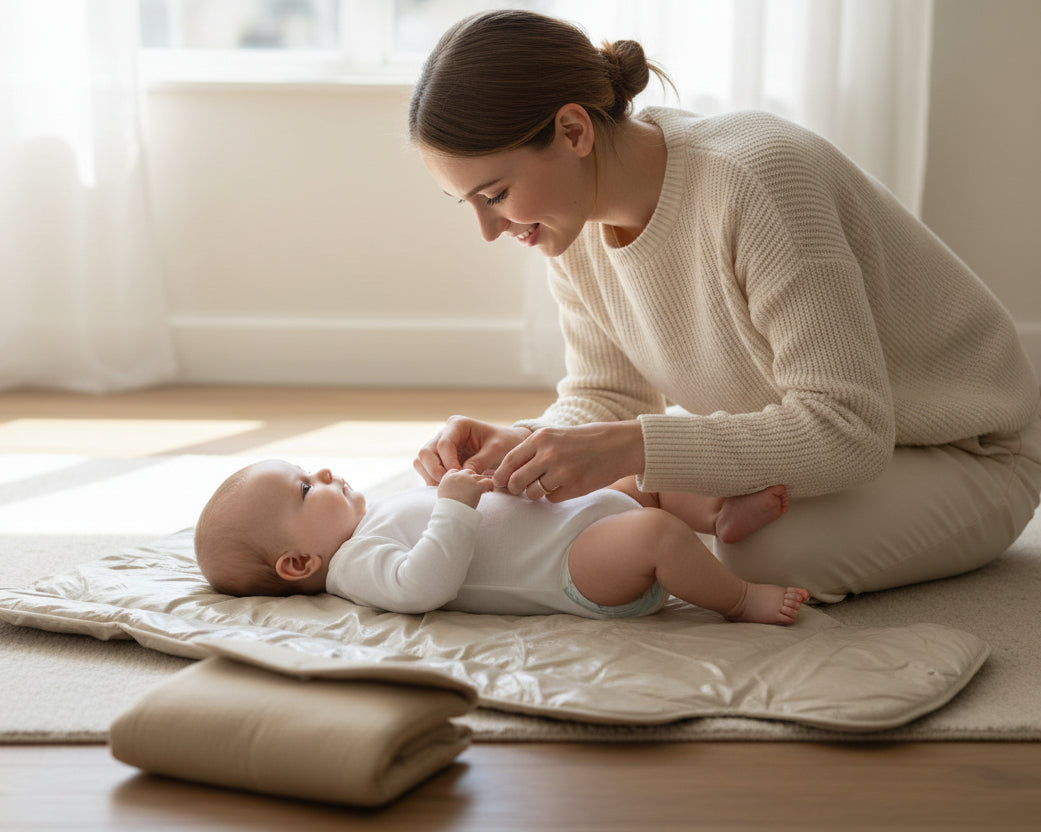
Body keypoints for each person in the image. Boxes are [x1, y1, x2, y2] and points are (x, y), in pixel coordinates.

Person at [408, 9, 1041, 604]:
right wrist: (525, 442)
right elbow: (609, 398)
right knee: (615, 505)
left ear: (573, 131)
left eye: (494, 194)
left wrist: (633, 450)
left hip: (970, 452)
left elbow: (849, 430)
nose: (489, 230)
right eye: (466, 202)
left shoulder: (756, 182)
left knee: (760, 552)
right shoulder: (569, 231)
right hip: (842, 441)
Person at [193, 458, 808, 624]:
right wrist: (455, 506)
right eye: (304, 489)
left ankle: (719, 515)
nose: (324, 473)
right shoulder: (354, 566)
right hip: (574, 568)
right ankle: (738, 599)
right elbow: (423, 586)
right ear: (299, 562)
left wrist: (451, 486)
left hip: (582, 517)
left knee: (640, 479)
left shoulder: (368, 519)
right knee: (654, 532)